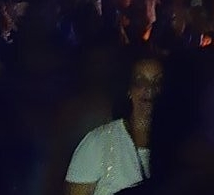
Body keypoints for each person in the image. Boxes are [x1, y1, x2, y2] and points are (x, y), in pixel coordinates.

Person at [65, 56, 163, 195]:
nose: (149, 88)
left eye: (158, 81)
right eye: (140, 81)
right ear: (129, 89)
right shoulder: (98, 142)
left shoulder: (178, 146)